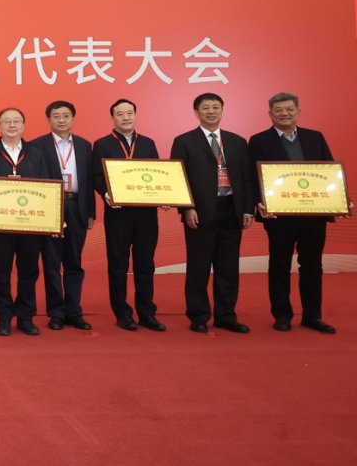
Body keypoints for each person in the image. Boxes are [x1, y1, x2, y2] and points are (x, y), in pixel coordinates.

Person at [248, 92, 347, 334]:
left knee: (312, 265)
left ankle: (312, 316)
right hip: (279, 216)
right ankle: (282, 315)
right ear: (270, 114)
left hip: (314, 213)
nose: (284, 114)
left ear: (298, 112)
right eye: (278, 110)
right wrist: (258, 203)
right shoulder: (259, 140)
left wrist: (342, 200)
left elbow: (329, 171)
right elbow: (252, 176)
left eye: (289, 109)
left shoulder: (315, 137)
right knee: (280, 265)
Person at [170, 93, 255, 334]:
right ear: (196, 112)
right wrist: (187, 207)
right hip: (200, 212)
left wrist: (247, 209)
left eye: (215, 107)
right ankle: (198, 316)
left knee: (228, 268)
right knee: (198, 267)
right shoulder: (184, 141)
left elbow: (247, 179)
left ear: (222, 110)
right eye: (205, 108)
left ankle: (225, 316)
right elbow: (178, 177)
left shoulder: (237, 141)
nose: (211, 111)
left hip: (232, 210)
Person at [0, 108, 50, 336]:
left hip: (30, 223)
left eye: (17, 121)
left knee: (29, 270)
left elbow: (47, 186)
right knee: (1, 271)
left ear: (23, 126)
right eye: (7, 121)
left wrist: (53, 217)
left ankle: (26, 317)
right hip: (1, 222)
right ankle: (4, 316)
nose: (12, 125)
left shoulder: (36, 153)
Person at [90, 99, 167, 332]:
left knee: (145, 264)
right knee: (118, 264)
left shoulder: (148, 143)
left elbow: (158, 174)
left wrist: (165, 195)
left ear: (135, 115)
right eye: (120, 114)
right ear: (112, 118)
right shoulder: (102, 144)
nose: (126, 117)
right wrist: (106, 193)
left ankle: (146, 313)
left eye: (129, 113)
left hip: (146, 214)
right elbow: (96, 176)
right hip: (118, 214)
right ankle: (122, 313)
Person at [31, 101, 95, 331]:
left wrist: (90, 211)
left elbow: (89, 180)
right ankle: (56, 312)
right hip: (50, 208)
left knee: (74, 263)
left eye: (66, 116)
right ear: (48, 120)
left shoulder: (85, 145)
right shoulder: (36, 145)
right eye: (56, 116)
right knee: (51, 263)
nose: (61, 120)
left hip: (77, 207)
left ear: (73, 119)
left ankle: (73, 312)